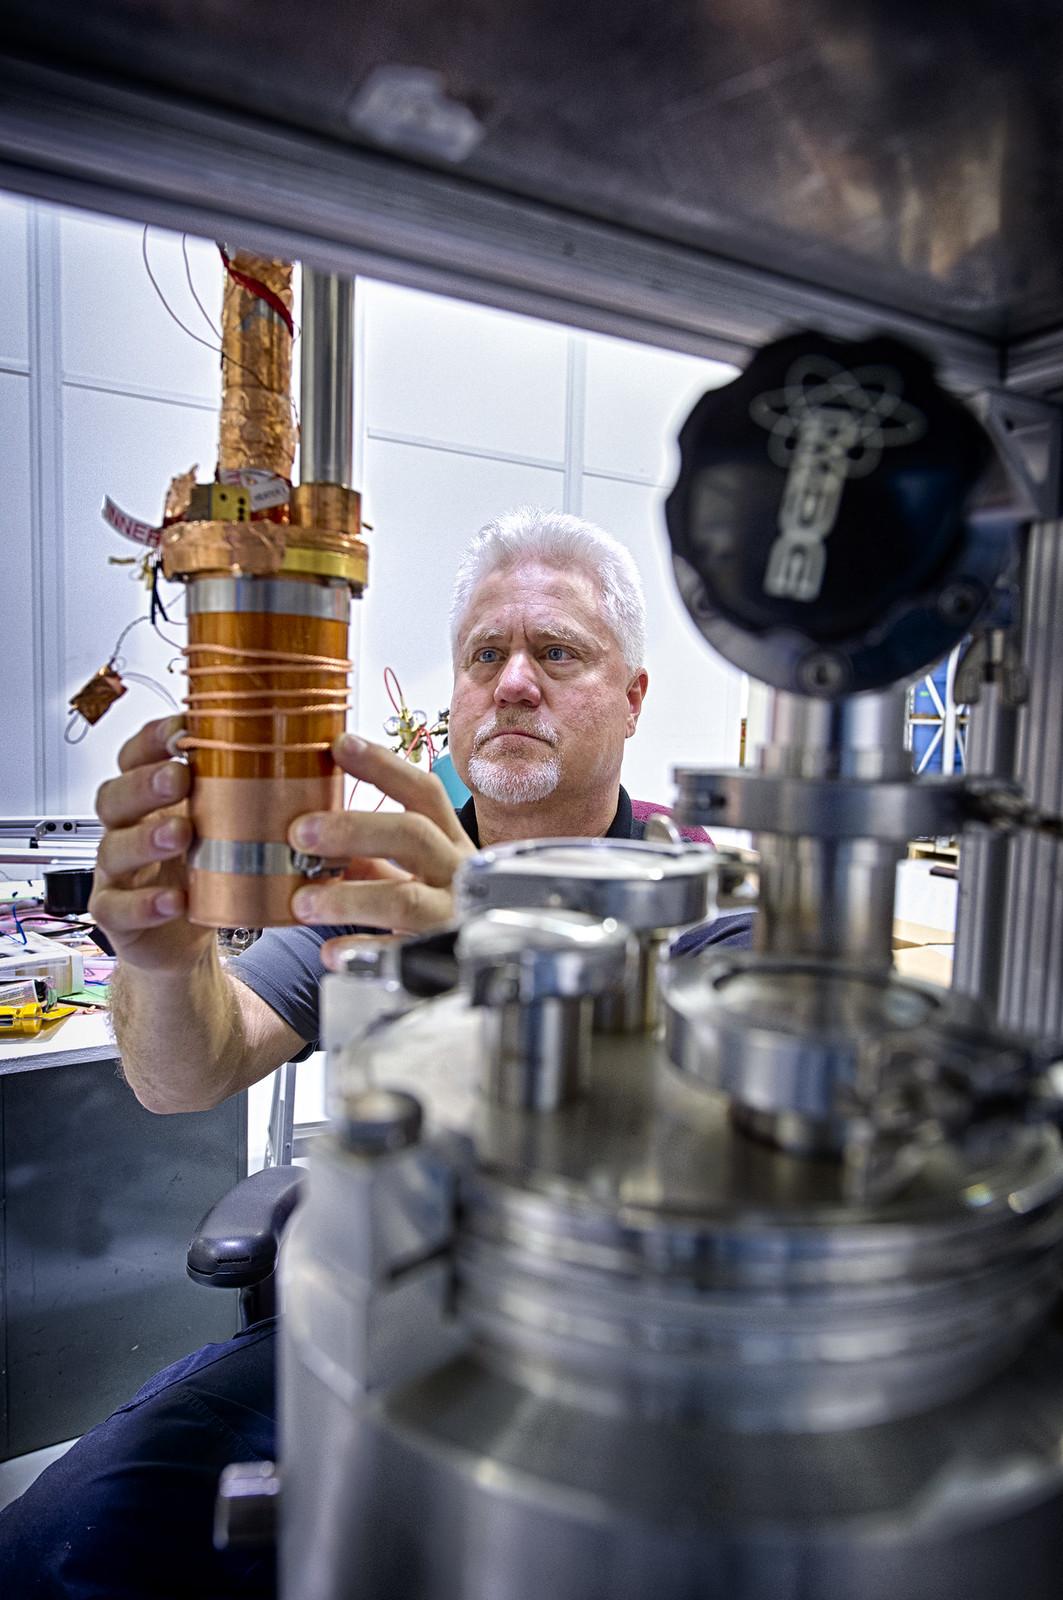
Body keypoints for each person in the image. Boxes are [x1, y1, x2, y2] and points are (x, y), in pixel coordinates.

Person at [0, 508, 752, 1599]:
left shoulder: (705, 907)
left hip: (615, 1366)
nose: (513, 683)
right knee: (53, 1553)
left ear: (631, 698)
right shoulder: (380, 890)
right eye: (484, 655)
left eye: (557, 653)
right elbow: (184, 1074)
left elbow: (720, 1192)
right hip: (375, 1321)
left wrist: (487, 955)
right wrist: (164, 960)